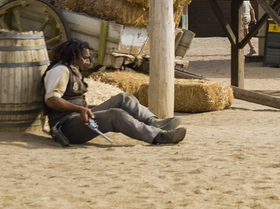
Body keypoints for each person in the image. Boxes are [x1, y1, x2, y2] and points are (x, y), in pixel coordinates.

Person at [44, 38, 187, 146]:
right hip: (65, 127)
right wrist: (80, 108)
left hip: (78, 117)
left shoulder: (73, 70)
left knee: (124, 99)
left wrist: (86, 108)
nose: (88, 61)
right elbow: (52, 100)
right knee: (115, 115)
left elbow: (74, 103)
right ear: (72, 55)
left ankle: (154, 122)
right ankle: (159, 136)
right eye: (85, 57)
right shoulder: (60, 70)